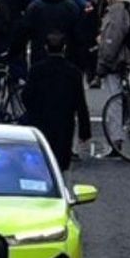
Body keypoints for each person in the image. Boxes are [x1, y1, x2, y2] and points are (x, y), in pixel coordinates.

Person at [21, 32, 92, 171]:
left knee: (41, 163)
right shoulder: (74, 72)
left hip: (40, 122)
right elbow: (81, 104)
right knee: (61, 165)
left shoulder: (36, 70)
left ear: (46, 48)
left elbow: (26, 96)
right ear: (64, 48)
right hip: (64, 124)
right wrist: (84, 131)